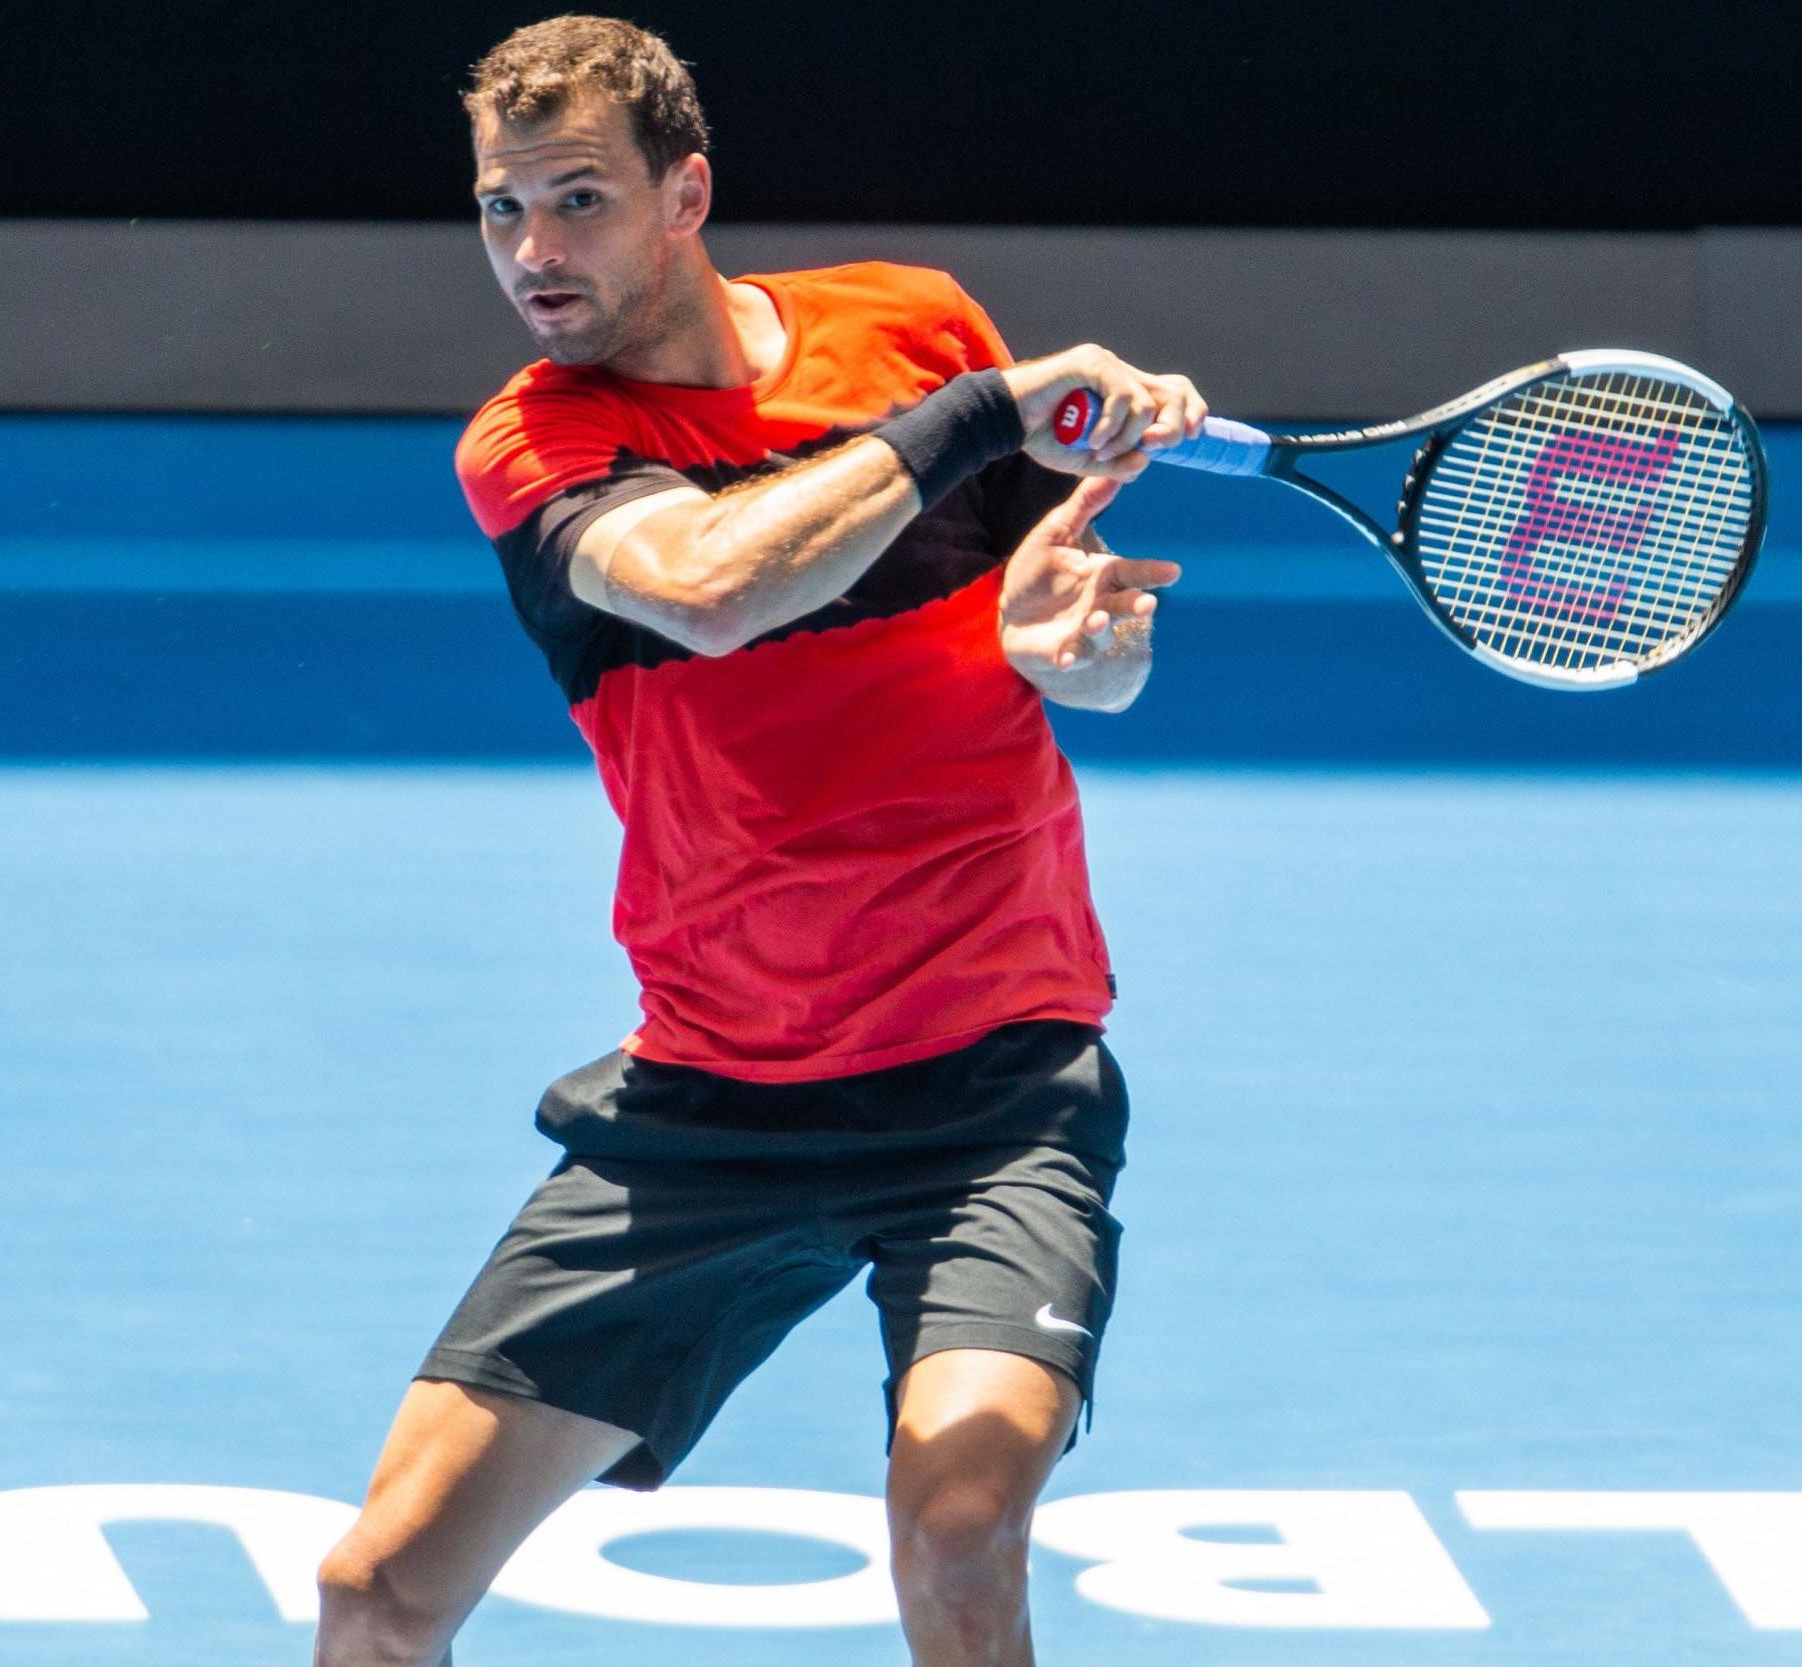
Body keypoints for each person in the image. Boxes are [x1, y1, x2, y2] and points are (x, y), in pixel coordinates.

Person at [312, 15, 1205, 1666]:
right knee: (378, 1593)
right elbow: (717, 591)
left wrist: (1087, 648)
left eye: (575, 199)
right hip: (713, 1098)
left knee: (958, 1538)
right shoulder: (535, 443)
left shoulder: (909, 324)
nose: (531, 251)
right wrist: (987, 412)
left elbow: (1060, 637)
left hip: (994, 1084)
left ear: (685, 192)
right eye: (500, 210)